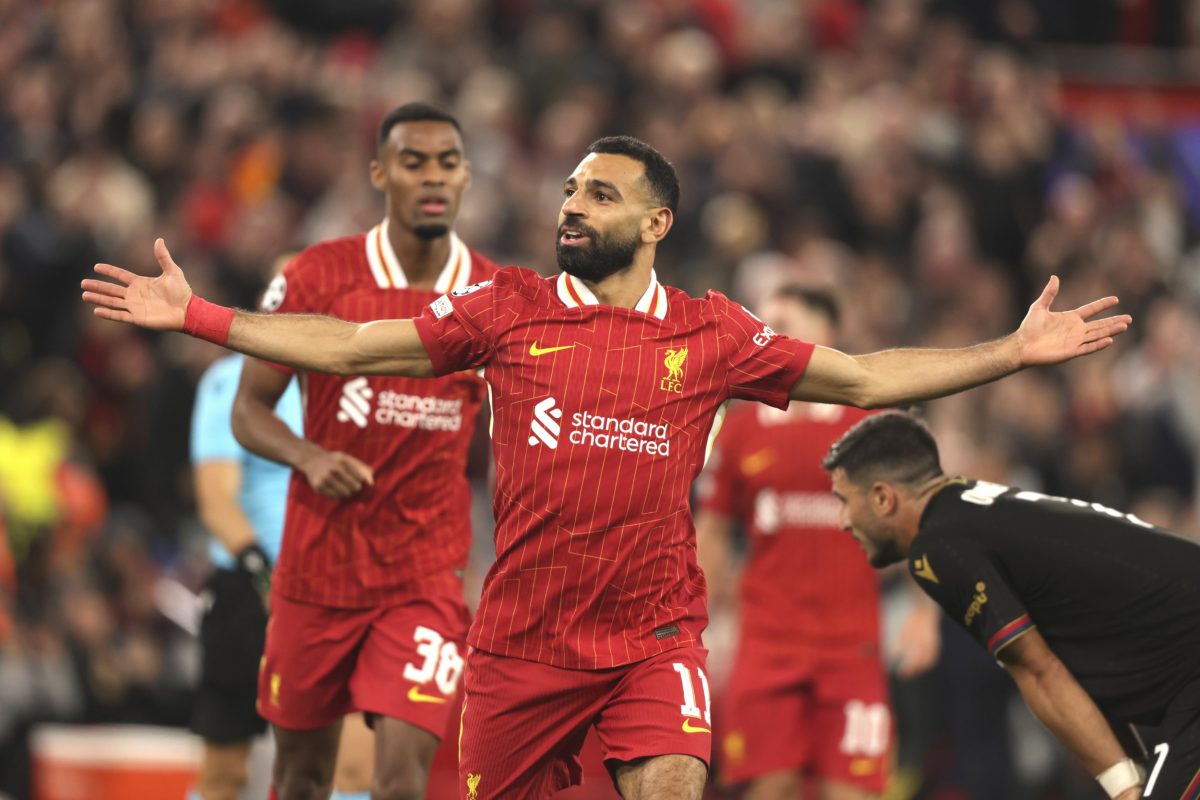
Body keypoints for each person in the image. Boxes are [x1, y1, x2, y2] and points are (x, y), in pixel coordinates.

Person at [82, 135, 1131, 800]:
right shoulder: (506, 310)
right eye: (569, 190)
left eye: (599, 194)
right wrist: (204, 317)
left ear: (656, 222)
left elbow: (861, 377)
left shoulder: (713, 333)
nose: (571, 207)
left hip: (651, 637)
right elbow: (353, 346)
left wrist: (1008, 350)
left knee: (674, 783)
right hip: (521, 647)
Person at [231, 102, 498, 800]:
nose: (433, 177)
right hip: (317, 571)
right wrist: (308, 456)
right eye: (414, 162)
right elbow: (249, 409)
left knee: (401, 781)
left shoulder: (495, 297)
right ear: (381, 173)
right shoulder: (320, 275)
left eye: (448, 162)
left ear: (468, 175)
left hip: (426, 579)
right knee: (300, 780)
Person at [822, 410, 1200, 800]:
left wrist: (1124, 788)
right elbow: (1077, 666)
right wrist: (1130, 773)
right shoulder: (976, 514)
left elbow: (1039, 672)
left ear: (884, 498)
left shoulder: (938, 547)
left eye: (844, 501)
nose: (842, 520)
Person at [695, 285, 938, 800]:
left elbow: (921, 521)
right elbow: (712, 529)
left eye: (784, 320)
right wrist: (698, 622)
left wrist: (924, 614)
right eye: (766, 323)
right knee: (770, 789)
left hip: (851, 648)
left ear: (825, 336)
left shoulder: (871, 427)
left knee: (849, 792)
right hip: (767, 645)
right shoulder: (740, 432)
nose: (769, 333)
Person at [189, 349, 302, 800]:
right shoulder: (233, 378)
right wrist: (266, 577)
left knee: (351, 761)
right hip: (252, 593)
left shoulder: (347, 380)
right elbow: (217, 501)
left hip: (331, 590)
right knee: (225, 769)